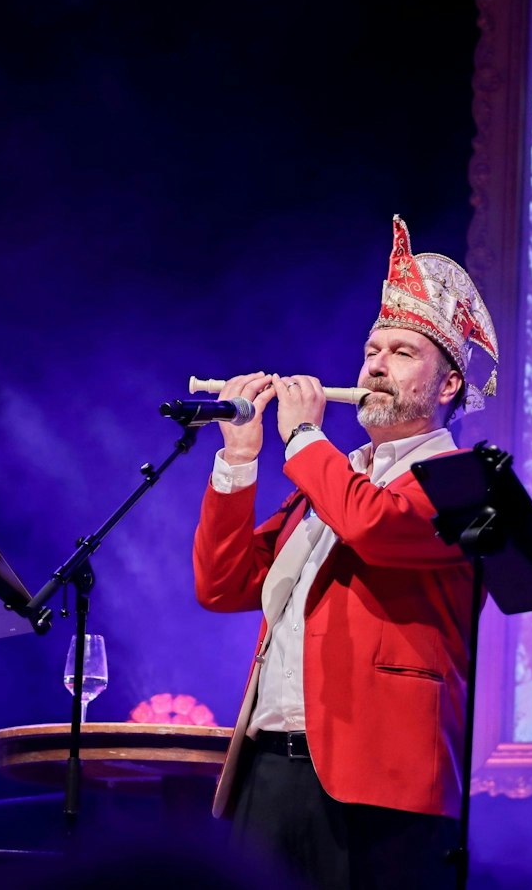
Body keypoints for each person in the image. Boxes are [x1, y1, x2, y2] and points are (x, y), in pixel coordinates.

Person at [193, 216, 500, 890]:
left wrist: (303, 434)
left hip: (381, 780)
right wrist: (238, 460)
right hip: (267, 768)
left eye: (401, 352)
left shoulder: (458, 482)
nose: (375, 365)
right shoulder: (329, 484)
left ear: (448, 386)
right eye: (371, 348)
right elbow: (223, 584)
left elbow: (376, 528)